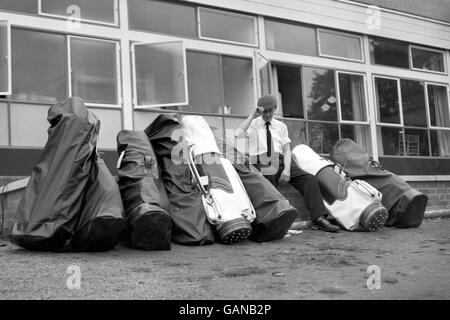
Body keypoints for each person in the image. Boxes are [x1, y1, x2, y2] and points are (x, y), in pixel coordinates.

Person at [234, 94, 340, 233]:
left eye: (269, 111)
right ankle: (271, 221)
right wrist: (252, 115)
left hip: (281, 160)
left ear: (275, 109)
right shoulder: (254, 124)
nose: (266, 114)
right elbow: (237, 134)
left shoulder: (281, 126)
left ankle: (319, 218)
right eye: (264, 112)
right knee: (268, 175)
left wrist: (288, 169)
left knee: (309, 179)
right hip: (262, 160)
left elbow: (287, 150)